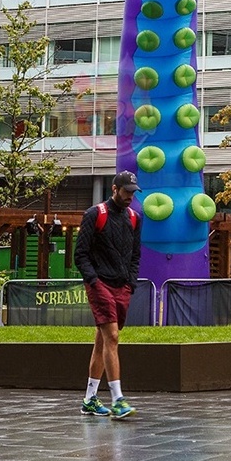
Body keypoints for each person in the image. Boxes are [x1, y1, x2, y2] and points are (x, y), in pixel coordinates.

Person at [74, 170, 142, 419]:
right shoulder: (95, 214)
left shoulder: (134, 218)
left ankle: (90, 399)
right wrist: (93, 280)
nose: (130, 197)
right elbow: (80, 254)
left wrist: (130, 283)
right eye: (126, 192)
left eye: (133, 193)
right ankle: (118, 400)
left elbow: (135, 255)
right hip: (100, 283)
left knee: (103, 341)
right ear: (114, 189)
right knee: (112, 336)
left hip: (122, 285)